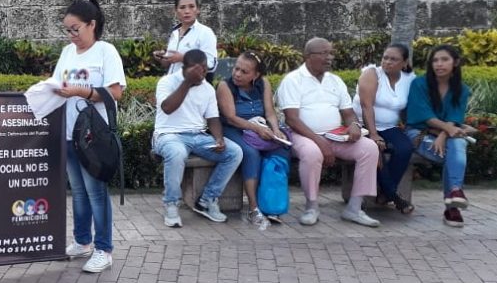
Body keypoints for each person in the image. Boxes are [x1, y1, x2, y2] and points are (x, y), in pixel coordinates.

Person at [52, 0, 126, 274]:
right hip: (70, 133)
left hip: (94, 135)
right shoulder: (67, 53)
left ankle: (104, 249)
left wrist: (81, 92)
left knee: (96, 192)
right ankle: (82, 241)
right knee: (79, 192)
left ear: (91, 25)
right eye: (67, 30)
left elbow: (116, 92)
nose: (72, 36)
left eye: (76, 29)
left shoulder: (106, 51)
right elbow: (57, 84)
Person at [276, 37, 380, 227]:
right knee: (312, 153)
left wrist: (354, 125)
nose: (330, 57)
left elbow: (348, 113)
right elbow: (292, 119)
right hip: (303, 136)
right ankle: (311, 206)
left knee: (370, 148)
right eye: (324, 53)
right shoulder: (292, 80)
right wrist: (320, 142)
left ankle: (354, 208)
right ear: (308, 56)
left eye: (331, 53)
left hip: (335, 135)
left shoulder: (336, 81)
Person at [153, 49, 243, 228]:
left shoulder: (208, 88)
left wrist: (218, 138)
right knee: (176, 153)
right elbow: (168, 107)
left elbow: (212, 118)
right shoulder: (167, 82)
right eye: (198, 69)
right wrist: (187, 82)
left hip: (198, 135)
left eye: (204, 68)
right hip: (168, 134)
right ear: (185, 68)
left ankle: (208, 199)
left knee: (234, 152)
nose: (202, 73)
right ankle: (171, 204)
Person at [216, 51, 290, 228]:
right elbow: (231, 117)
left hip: (259, 127)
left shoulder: (263, 84)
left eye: (244, 72)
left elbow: (270, 112)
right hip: (234, 129)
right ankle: (254, 208)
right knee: (250, 152)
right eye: (236, 69)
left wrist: (275, 130)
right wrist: (257, 129)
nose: (237, 74)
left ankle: (271, 203)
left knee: (280, 149)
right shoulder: (225, 86)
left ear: (256, 75)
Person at [405, 44, 476, 227]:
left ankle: (453, 194)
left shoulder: (461, 89)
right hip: (418, 133)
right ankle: (453, 204)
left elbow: (455, 117)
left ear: (456, 62)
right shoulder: (419, 84)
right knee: (456, 151)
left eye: (444, 59)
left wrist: (444, 135)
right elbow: (423, 115)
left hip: (446, 137)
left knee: (456, 146)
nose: (439, 64)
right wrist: (448, 130)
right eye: (435, 60)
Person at [352, 43, 416, 213]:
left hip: (389, 126)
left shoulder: (409, 79)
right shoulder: (372, 74)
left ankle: (385, 194)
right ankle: (394, 197)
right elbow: (366, 106)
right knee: (375, 151)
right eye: (385, 57)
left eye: (393, 59)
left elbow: (410, 107)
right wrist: (373, 135)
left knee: (405, 148)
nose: (387, 62)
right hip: (363, 125)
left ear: (404, 62)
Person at [153, 0, 218, 77]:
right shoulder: (174, 33)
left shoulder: (205, 32)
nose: (187, 11)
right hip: (171, 86)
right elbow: (171, 65)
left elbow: (211, 65)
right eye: (182, 7)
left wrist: (183, 58)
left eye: (191, 6)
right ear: (175, 11)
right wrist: (162, 58)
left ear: (198, 9)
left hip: (192, 86)